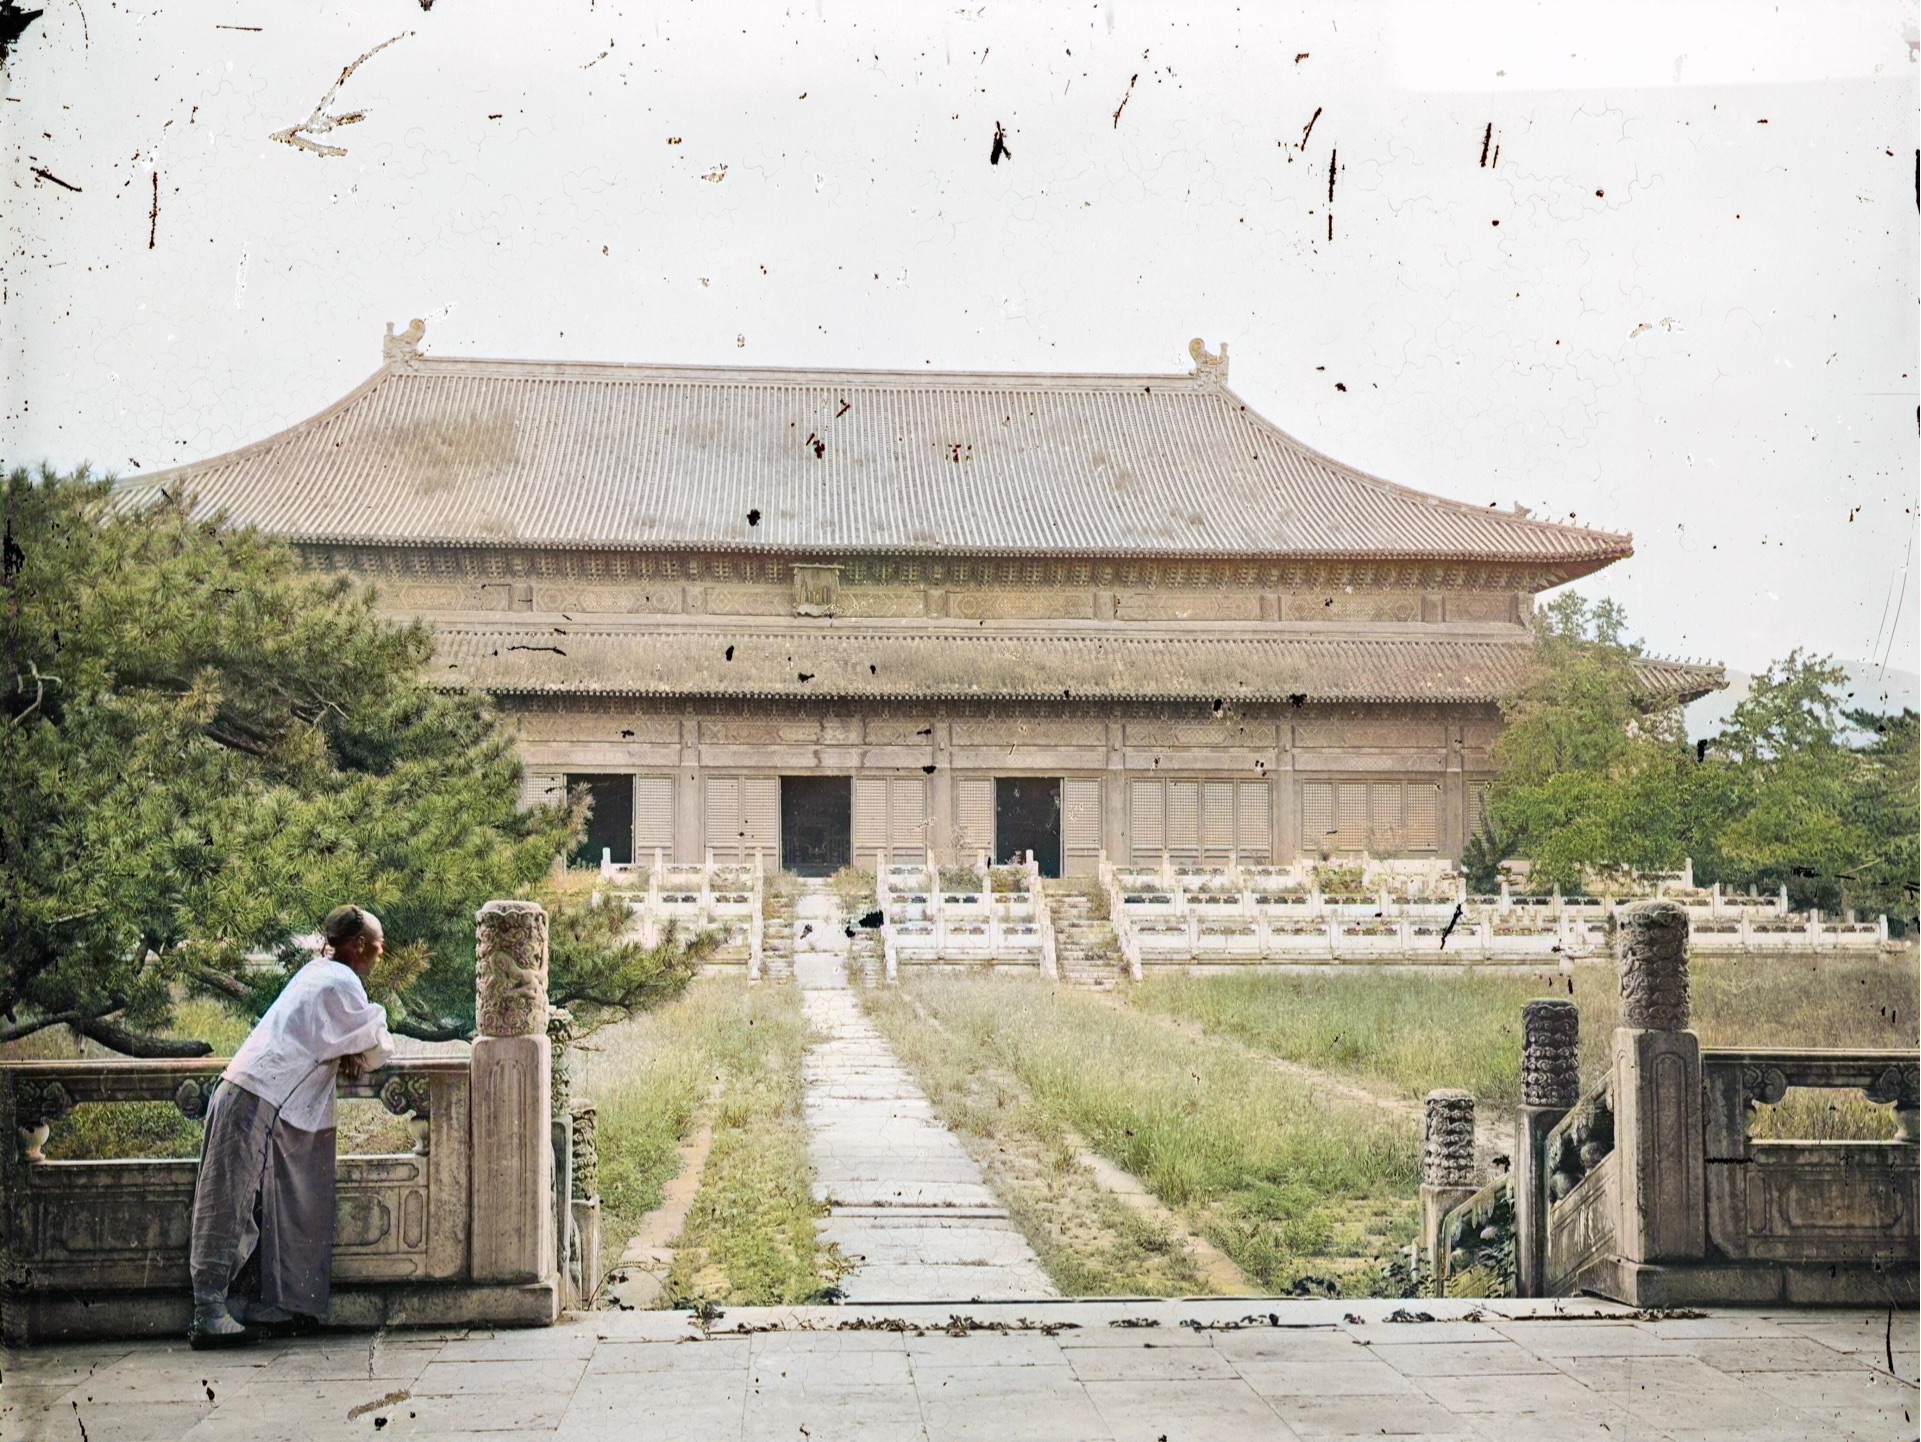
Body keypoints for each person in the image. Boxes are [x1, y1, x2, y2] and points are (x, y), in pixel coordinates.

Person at [187, 904, 395, 1348]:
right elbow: (376, 1041)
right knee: (230, 1202)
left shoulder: (317, 973)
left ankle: (251, 1305)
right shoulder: (340, 980)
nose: (382, 952)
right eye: (378, 944)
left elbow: (334, 1036)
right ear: (359, 945)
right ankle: (208, 1310)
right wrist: (357, 1050)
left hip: (258, 1091)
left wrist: (347, 1050)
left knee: (258, 1200)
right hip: (254, 1093)